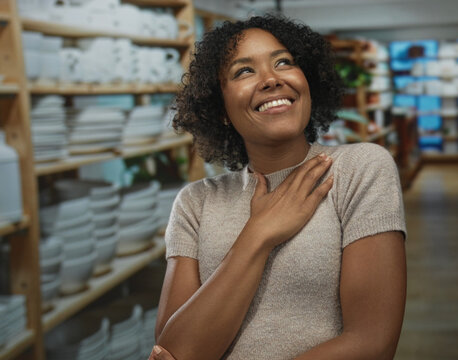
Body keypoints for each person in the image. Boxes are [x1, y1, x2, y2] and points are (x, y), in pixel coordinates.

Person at [150, 15, 407, 360]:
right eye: (244, 71)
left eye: (283, 62)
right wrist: (258, 235)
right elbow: (174, 352)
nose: (272, 79)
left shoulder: (360, 169)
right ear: (220, 107)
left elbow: (372, 344)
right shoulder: (195, 202)